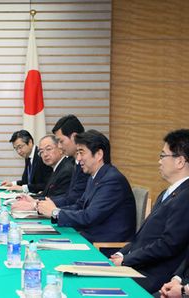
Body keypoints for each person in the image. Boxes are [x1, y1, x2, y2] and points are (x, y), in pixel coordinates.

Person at [107, 129, 189, 294]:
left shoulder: (186, 196)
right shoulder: (169, 192)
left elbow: (168, 245)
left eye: (163, 155)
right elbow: (143, 238)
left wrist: (126, 260)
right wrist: (121, 254)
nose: (159, 161)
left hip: (153, 276)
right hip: (139, 266)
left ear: (180, 161)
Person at [37, 130, 136, 247]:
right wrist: (51, 209)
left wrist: (56, 212)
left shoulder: (112, 181)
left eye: (81, 153)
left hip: (105, 246)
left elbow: (89, 217)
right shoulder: (95, 176)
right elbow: (79, 206)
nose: (78, 159)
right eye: (77, 153)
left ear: (99, 154)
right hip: (90, 237)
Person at [11, 135, 74, 211]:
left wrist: (35, 204)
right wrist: (31, 198)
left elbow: (60, 200)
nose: (45, 154)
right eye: (41, 151)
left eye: (48, 149)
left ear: (60, 148)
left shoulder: (66, 170)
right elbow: (46, 194)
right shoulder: (58, 168)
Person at [51, 115, 89, 206]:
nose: (59, 146)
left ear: (74, 137)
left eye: (61, 141)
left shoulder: (87, 165)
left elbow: (74, 200)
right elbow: (68, 196)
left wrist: (37, 205)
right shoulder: (72, 162)